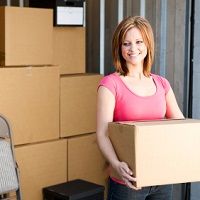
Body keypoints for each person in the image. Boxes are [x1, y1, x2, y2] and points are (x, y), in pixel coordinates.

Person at [96, 16, 184, 200]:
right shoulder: (110, 85)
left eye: (138, 42)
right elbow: (102, 134)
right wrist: (115, 164)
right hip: (127, 182)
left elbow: (180, 127)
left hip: (161, 179)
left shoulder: (162, 84)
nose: (133, 49)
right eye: (126, 43)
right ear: (119, 48)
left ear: (148, 44)